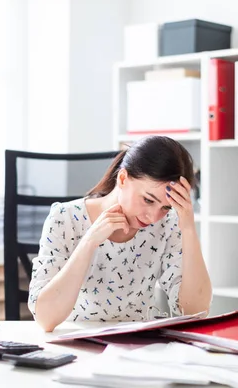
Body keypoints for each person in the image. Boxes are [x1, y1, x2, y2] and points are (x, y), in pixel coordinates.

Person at [28, 135, 212, 332]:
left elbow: (195, 311)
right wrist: (89, 242)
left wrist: (188, 227)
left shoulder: (167, 225)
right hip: (75, 346)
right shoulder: (64, 218)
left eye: (166, 207)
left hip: (136, 347)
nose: (152, 217)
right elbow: (46, 319)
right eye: (148, 200)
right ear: (123, 178)